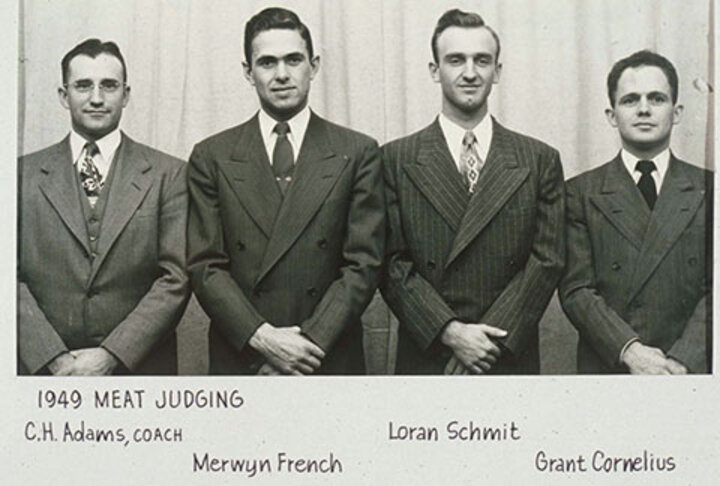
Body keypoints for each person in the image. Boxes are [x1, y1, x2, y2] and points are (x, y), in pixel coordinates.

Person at [187, 7, 385, 375]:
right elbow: (205, 265)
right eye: (267, 63)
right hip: (245, 358)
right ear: (248, 71)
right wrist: (263, 340)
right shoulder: (211, 156)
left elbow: (364, 264)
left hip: (325, 358)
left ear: (314, 65)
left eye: (293, 60)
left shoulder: (358, 151)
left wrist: (304, 347)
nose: (281, 75)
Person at [381, 9, 565, 375]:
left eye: (482, 60)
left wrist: (485, 342)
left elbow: (547, 260)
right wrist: (449, 332)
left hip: (505, 353)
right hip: (430, 355)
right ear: (435, 70)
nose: (469, 72)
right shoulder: (394, 158)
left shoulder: (539, 158)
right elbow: (389, 262)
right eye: (455, 60)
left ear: (497, 71)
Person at [18, 39, 190, 375]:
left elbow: (176, 277)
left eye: (109, 86)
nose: (97, 98)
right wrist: (53, 358)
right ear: (63, 96)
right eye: (83, 85)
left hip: (139, 372)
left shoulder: (170, 174)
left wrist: (111, 356)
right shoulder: (17, 175)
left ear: (125, 95)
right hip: (44, 375)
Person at [559, 50, 712, 374]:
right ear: (612, 115)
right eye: (630, 100)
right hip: (611, 367)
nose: (644, 109)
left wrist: (683, 360)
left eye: (656, 98)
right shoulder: (578, 193)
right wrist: (630, 351)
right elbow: (577, 291)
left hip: (689, 373)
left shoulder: (710, 189)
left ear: (677, 111)